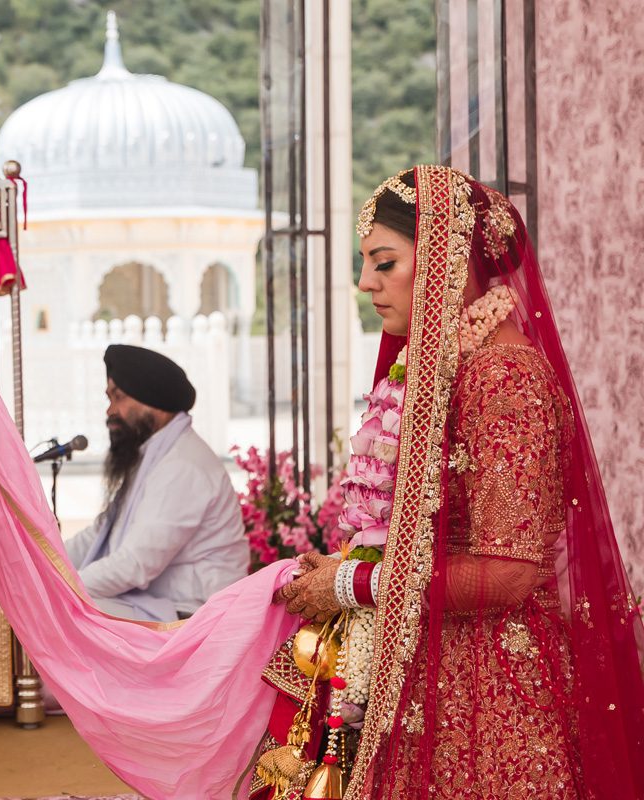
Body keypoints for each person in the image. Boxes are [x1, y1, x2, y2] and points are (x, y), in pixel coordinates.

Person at [268, 166, 644, 798]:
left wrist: (355, 582)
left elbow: (510, 572)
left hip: (488, 693)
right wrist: (347, 564)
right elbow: (427, 533)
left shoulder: (504, 380)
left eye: (384, 263)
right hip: (426, 659)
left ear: (446, 259)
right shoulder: (446, 370)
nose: (366, 284)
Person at [63, 344, 248, 621]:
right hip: (161, 603)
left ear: (153, 402)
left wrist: (63, 587)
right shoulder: (154, 455)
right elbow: (100, 532)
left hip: (197, 615)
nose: (110, 410)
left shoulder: (182, 465)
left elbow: (135, 564)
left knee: (66, 611)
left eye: (119, 398)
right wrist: (45, 562)